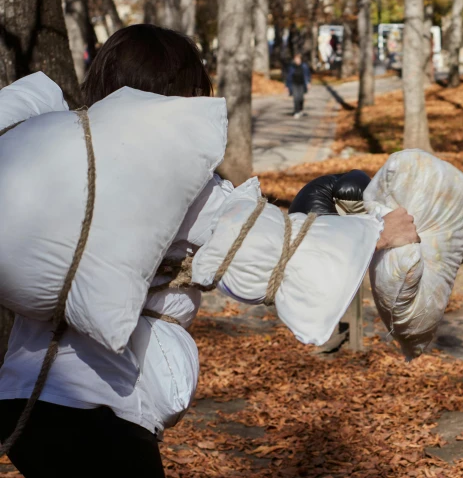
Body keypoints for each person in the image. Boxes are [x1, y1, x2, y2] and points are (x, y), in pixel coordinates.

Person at [0, 24, 419, 478]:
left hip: (19, 400)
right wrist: (378, 231)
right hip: (100, 411)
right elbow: (265, 251)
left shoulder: (62, 155)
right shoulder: (172, 177)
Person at [285, 53, 311, 118]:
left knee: (301, 98)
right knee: (296, 98)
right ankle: (296, 111)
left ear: (300, 59)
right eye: (296, 59)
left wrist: (308, 83)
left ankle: (300, 109)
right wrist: (287, 86)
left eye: (298, 59)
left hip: (302, 84)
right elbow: (288, 77)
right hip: (294, 84)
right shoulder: (291, 67)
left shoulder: (304, 66)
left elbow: (307, 75)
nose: (297, 60)